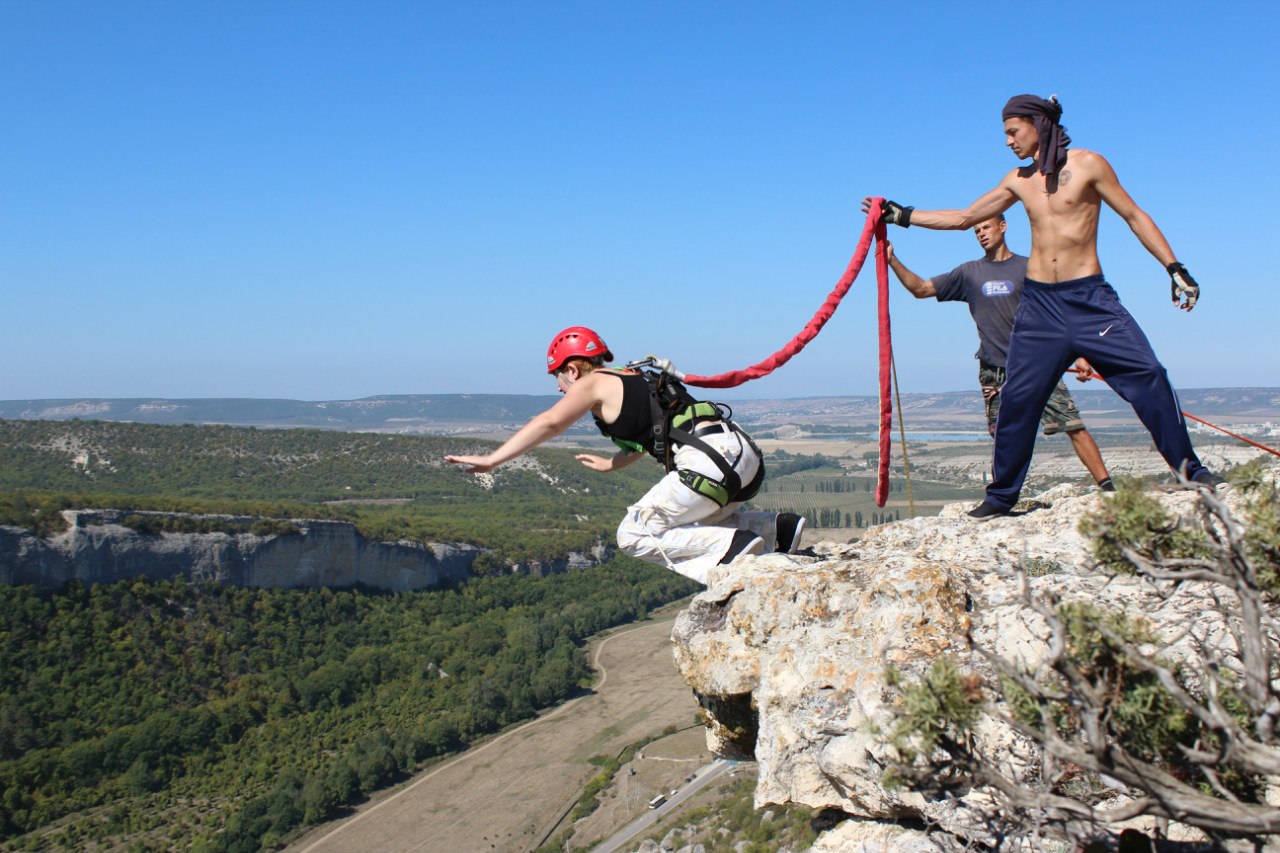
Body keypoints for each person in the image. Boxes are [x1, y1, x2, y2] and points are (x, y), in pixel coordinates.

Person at [863, 93, 1222, 519]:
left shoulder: (1089, 165)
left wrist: (1174, 266)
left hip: (1090, 299)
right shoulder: (1018, 179)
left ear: (1038, 124)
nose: (1008, 141)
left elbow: (1134, 215)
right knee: (1017, 398)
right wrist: (901, 214)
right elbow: (964, 216)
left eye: (1013, 132)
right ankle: (1000, 498)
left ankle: (1190, 471)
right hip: (1039, 307)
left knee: (1150, 376)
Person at [444, 326, 805, 584]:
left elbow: (551, 422)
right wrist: (610, 463)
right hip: (739, 454)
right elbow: (646, 441)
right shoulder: (633, 376)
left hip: (707, 463)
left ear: (572, 368)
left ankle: (735, 546)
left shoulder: (593, 382)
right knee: (684, 526)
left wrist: (493, 459)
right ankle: (774, 528)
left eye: (558, 377)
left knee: (633, 534)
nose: (558, 387)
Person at [885, 213, 1115, 492]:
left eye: (986, 227)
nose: (982, 233)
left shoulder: (1029, 267)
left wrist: (1081, 354)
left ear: (1003, 227)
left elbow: (1062, 312)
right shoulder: (968, 273)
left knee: (1073, 426)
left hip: (1037, 366)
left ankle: (1107, 488)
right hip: (995, 369)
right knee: (1002, 437)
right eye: (976, 230)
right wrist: (892, 260)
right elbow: (920, 289)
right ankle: (1001, 498)